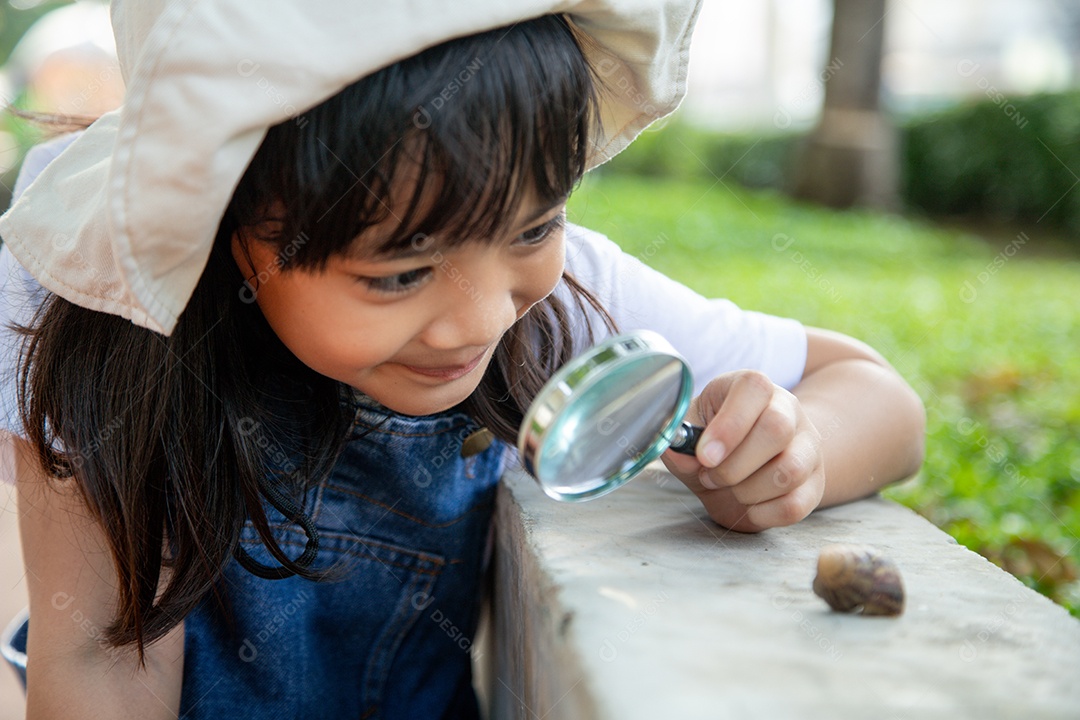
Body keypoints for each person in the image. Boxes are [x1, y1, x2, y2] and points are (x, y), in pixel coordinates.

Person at [0, 1, 925, 718]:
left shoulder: (561, 303)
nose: (479, 321)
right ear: (226, 227)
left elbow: (880, 400)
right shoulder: (101, 317)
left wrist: (790, 449)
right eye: (400, 275)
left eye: (536, 224)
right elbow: (102, 660)